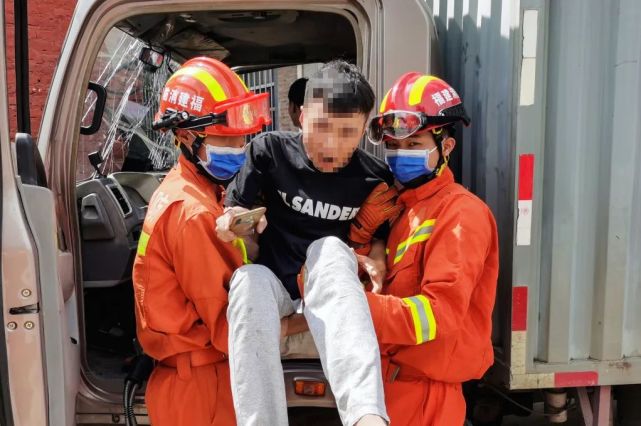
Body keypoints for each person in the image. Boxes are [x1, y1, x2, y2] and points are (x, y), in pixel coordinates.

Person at [217, 60, 401, 426]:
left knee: (330, 249)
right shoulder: (269, 152)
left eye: (348, 132)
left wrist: (377, 256)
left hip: (330, 294)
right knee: (246, 281)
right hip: (276, 292)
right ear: (301, 116)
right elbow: (233, 209)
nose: (332, 144)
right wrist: (230, 225)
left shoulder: (374, 178)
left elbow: (378, 238)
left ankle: (366, 416)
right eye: (321, 127)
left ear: (365, 128)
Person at [131, 56, 272, 425]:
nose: (240, 146)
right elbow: (230, 326)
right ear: (186, 135)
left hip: (194, 378)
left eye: (242, 137)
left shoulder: (194, 191)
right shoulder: (194, 213)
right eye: (227, 138)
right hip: (200, 387)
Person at [364, 73, 499, 425]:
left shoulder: (461, 214)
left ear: (447, 147)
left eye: (413, 144)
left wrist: (355, 307)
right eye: (393, 145)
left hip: (426, 402)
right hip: (386, 389)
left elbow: (437, 315)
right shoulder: (398, 208)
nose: (399, 154)